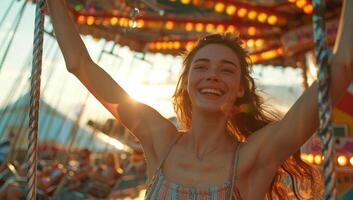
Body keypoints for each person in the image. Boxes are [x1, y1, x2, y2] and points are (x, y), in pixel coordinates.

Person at [47, 0, 353, 199]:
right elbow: (80, 65)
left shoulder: (252, 159)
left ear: (240, 90)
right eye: (202, 67)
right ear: (187, 83)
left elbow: (341, 65)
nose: (212, 75)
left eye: (227, 69)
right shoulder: (160, 140)